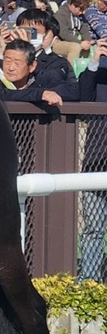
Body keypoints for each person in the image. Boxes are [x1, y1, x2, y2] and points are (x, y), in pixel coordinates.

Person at [77, 39, 107, 281]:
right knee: (94, 229)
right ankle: (89, 281)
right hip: (96, 160)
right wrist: (95, 61)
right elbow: (83, 99)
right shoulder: (98, 77)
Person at [0, 38, 79, 112]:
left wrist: (48, 93)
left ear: (32, 66)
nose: (11, 68)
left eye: (17, 63)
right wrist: (40, 94)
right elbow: (1, 94)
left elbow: (72, 91)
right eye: (7, 61)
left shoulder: (41, 76)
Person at [54, 0, 94, 64]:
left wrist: (88, 40)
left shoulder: (79, 16)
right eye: (80, 10)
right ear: (72, 5)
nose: (82, 13)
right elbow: (64, 34)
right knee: (75, 48)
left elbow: (83, 28)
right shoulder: (60, 14)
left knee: (93, 48)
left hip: (75, 40)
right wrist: (80, 43)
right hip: (59, 42)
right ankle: (71, 71)